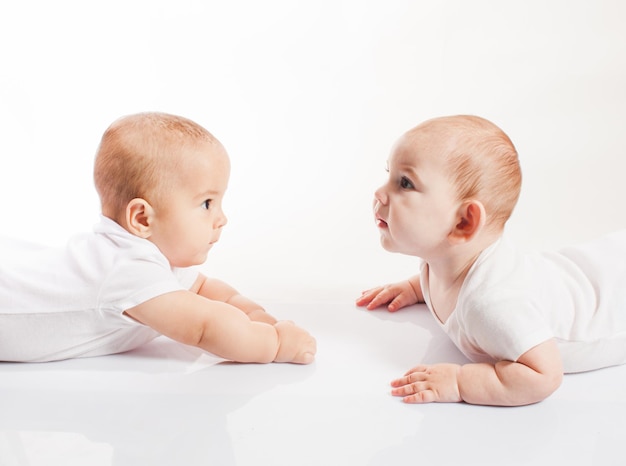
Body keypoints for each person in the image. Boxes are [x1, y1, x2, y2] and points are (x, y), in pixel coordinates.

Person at [0, 112, 316, 364]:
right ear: (142, 218)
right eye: (207, 203)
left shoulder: (148, 259)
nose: (222, 218)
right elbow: (205, 328)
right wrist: (275, 344)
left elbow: (206, 290)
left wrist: (254, 314)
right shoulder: (128, 271)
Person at [356, 115, 626, 406]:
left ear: (463, 222)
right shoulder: (439, 264)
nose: (380, 192)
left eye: (405, 183)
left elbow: (544, 374)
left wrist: (460, 383)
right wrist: (414, 289)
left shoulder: (492, 304)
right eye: (389, 174)